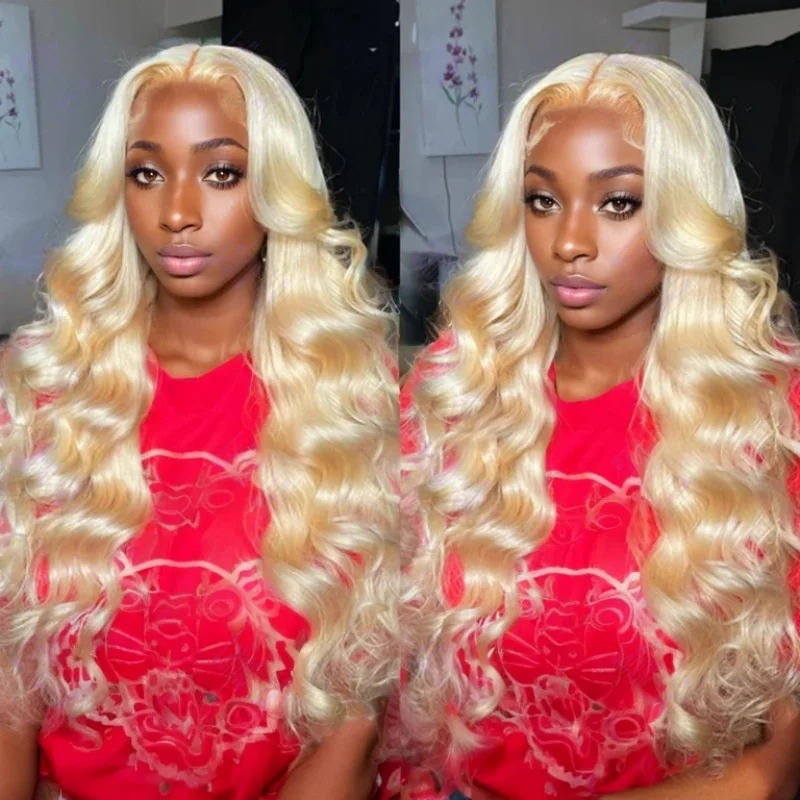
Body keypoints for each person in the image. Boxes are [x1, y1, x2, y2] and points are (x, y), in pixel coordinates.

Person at [394, 52, 800, 800]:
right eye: (543, 200)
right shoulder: (455, 393)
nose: (569, 242)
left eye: (618, 203)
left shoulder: (770, 420)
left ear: (686, 211)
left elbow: (770, 770)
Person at [0, 44, 398, 800]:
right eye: (146, 174)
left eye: (221, 174)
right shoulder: (42, 388)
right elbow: (9, 682)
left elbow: (354, 719)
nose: (177, 213)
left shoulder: (350, 405)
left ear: (276, 188)